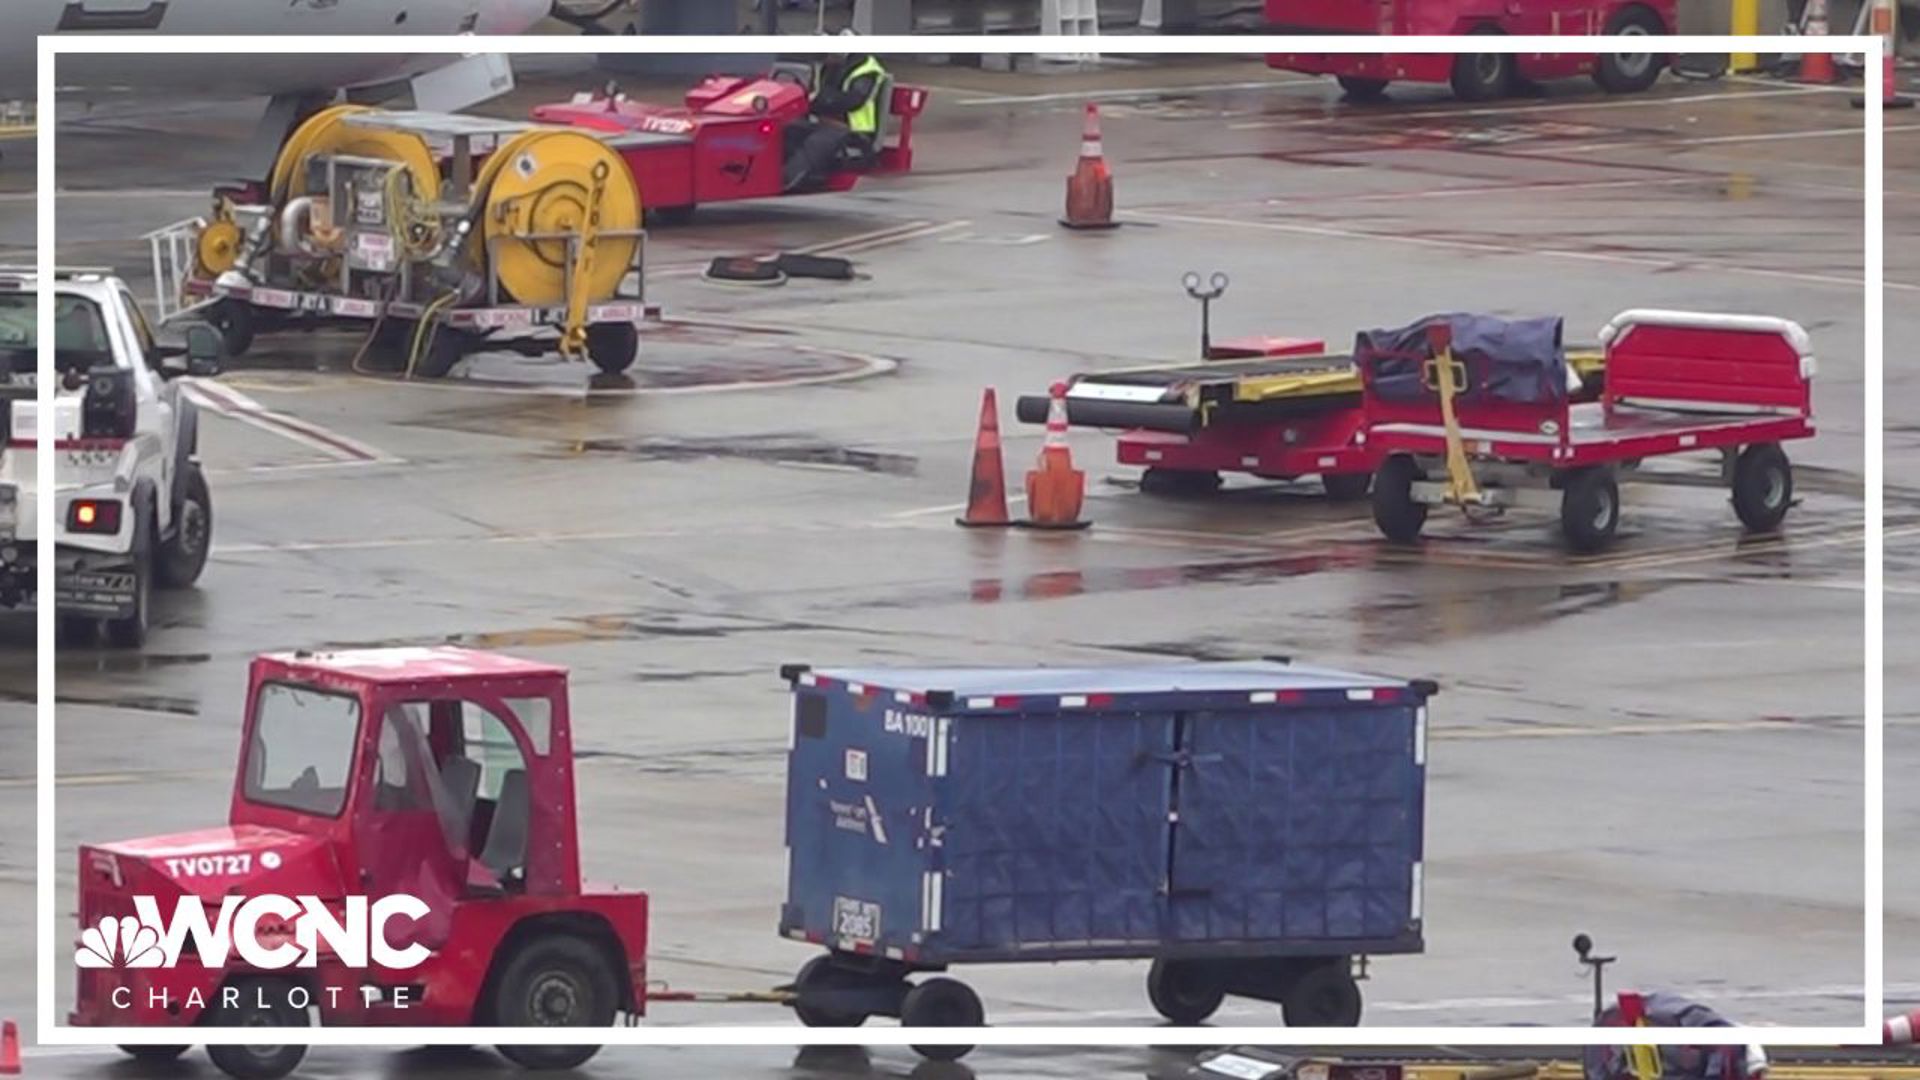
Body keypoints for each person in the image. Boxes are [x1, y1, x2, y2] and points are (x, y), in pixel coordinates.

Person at [782, 45, 888, 192]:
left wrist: (818, 99)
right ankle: (771, 172)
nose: (826, 56)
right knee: (788, 128)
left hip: (854, 131)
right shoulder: (831, 67)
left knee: (819, 141)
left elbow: (853, 101)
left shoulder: (865, 70)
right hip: (825, 123)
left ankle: (786, 179)